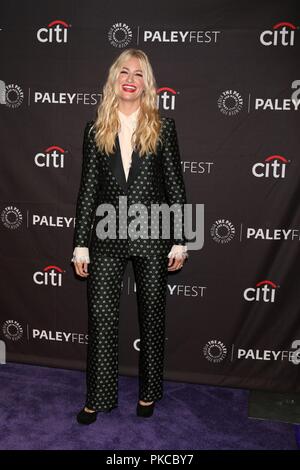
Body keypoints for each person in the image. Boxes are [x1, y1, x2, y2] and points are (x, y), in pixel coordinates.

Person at [71, 48, 188, 425]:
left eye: (138, 74)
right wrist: (80, 242)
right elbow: (87, 188)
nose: (130, 78)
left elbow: (175, 185)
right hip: (105, 235)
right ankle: (98, 396)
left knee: (152, 316)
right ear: (114, 78)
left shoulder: (163, 126)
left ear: (145, 83)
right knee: (101, 318)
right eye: (124, 71)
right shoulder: (95, 129)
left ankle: (149, 392)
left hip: (152, 232)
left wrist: (182, 239)